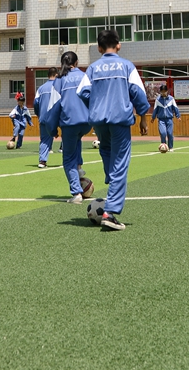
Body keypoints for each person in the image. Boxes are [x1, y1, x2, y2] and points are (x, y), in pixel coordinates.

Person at [77, 30, 149, 231]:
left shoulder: (92, 68)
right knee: (120, 165)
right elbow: (138, 93)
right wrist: (143, 117)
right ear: (119, 45)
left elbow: (82, 91)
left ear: (99, 48)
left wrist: (96, 105)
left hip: (99, 120)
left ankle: (111, 179)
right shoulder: (127, 66)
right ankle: (110, 212)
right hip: (119, 120)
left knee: (107, 152)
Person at [42, 51, 91, 202]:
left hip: (70, 122)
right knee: (77, 139)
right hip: (86, 122)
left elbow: (53, 106)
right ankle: (79, 167)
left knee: (68, 158)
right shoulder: (84, 76)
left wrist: (52, 129)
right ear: (76, 63)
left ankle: (76, 193)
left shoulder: (60, 80)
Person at [35, 68, 58, 168]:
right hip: (58, 116)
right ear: (56, 75)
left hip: (44, 117)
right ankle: (70, 161)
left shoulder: (41, 88)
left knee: (44, 140)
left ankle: (42, 161)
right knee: (68, 136)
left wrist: (39, 115)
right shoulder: (59, 86)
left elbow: (35, 103)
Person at [153, 84, 180, 151]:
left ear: (167, 91)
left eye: (164, 91)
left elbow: (175, 108)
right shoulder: (158, 100)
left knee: (170, 133)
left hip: (169, 119)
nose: (163, 93)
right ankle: (163, 145)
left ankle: (170, 147)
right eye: (162, 91)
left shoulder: (171, 99)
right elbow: (155, 109)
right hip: (161, 119)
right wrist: (153, 117)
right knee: (163, 133)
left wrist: (178, 116)